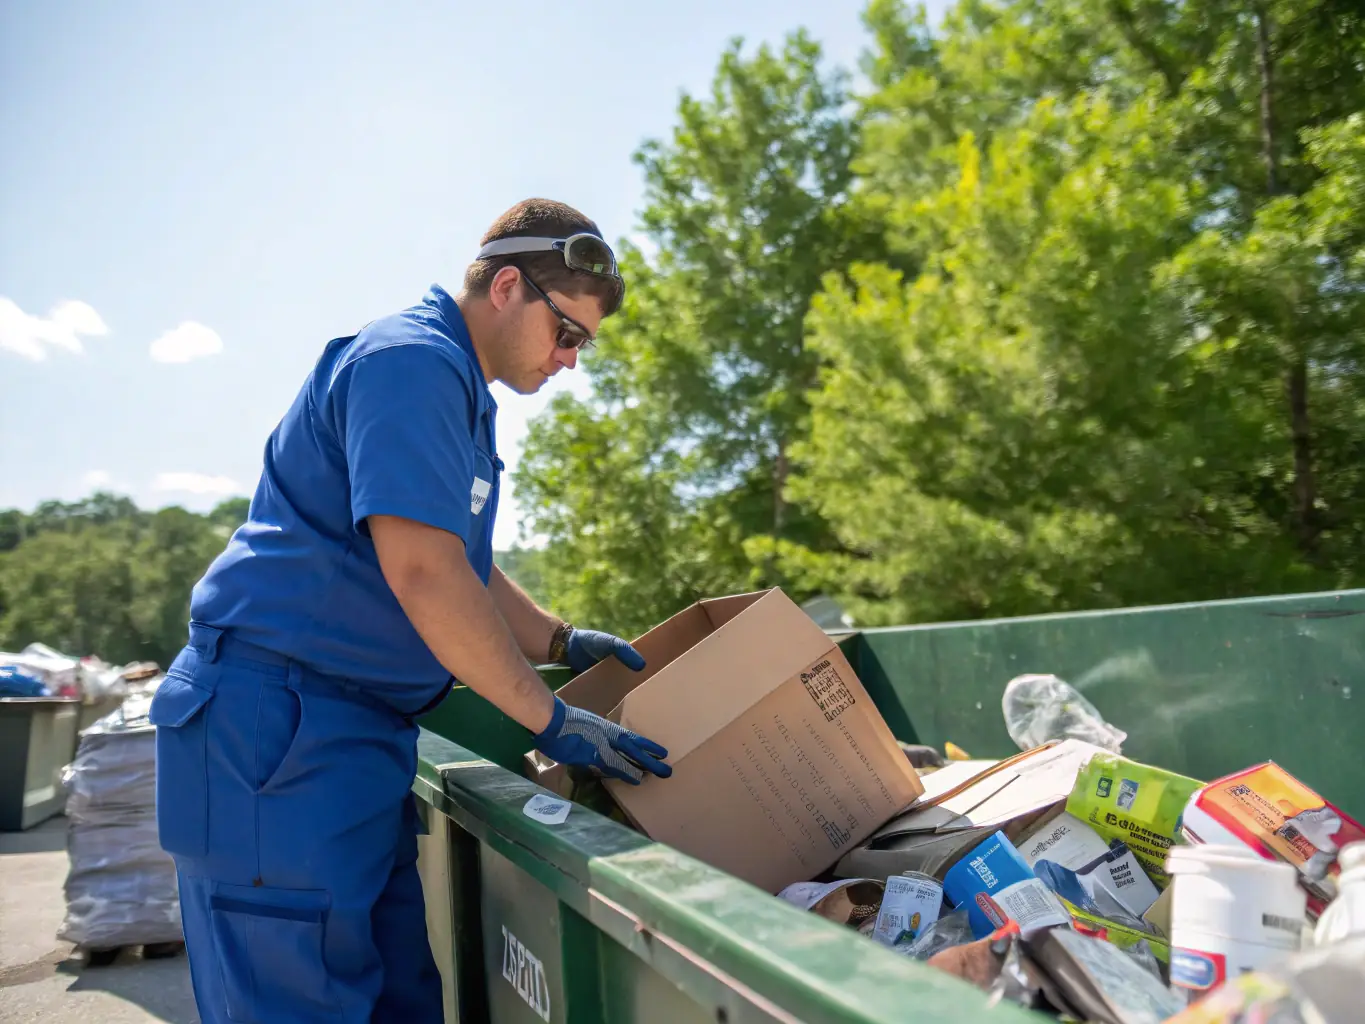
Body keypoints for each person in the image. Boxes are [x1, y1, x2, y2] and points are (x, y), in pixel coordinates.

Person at [148, 198, 673, 1023]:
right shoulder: (408, 363)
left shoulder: (461, 392)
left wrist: (562, 640)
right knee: (296, 1000)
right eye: (568, 333)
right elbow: (424, 573)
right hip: (275, 734)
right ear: (508, 286)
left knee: (396, 1000)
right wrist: (549, 717)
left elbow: (466, 566)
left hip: (352, 737)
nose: (572, 361)